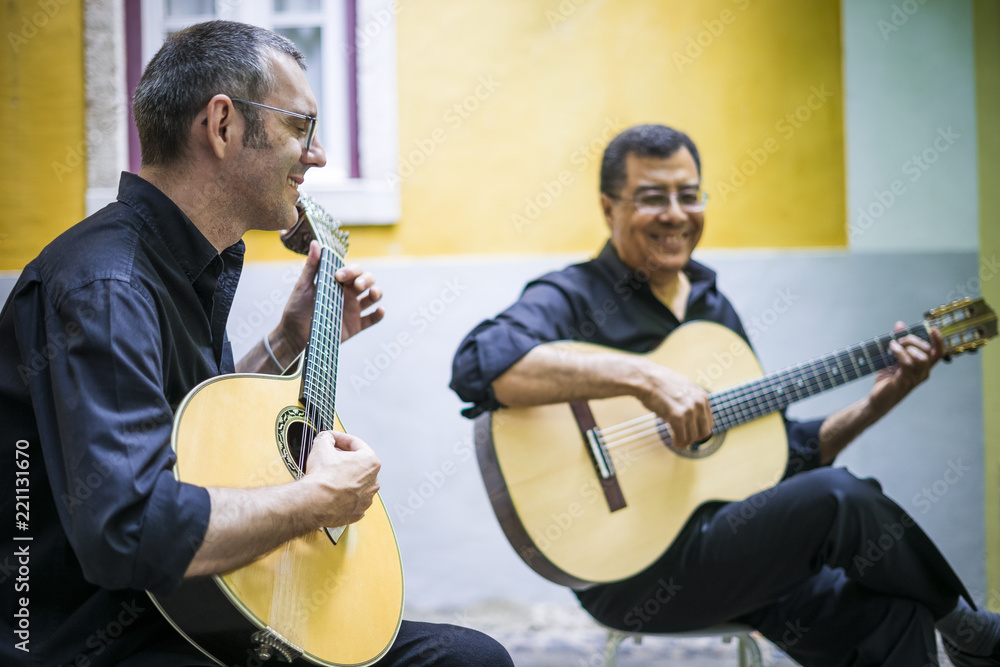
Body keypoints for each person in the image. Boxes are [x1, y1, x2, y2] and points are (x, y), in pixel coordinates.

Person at [0, 20, 512, 667]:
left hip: (191, 611)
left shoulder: (181, 264)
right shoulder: (107, 286)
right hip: (95, 638)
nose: (320, 155)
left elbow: (192, 439)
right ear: (223, 126)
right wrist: (315, 500)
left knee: (461, 654)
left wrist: (287, 338)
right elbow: (127, 530)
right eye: (302, 127)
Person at [450, 123, 999, 666]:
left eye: (688, 196)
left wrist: (877, 403)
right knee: (838, 496)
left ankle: (948, 625)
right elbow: (480, 362)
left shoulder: (715, 311)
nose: (675, 214)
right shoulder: (572, 295)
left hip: (733, 552)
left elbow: (781, 456)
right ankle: (966, 627)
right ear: (608, 207)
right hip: (628, 573)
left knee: (886, 613)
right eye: (651, 197)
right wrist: (646, 380)